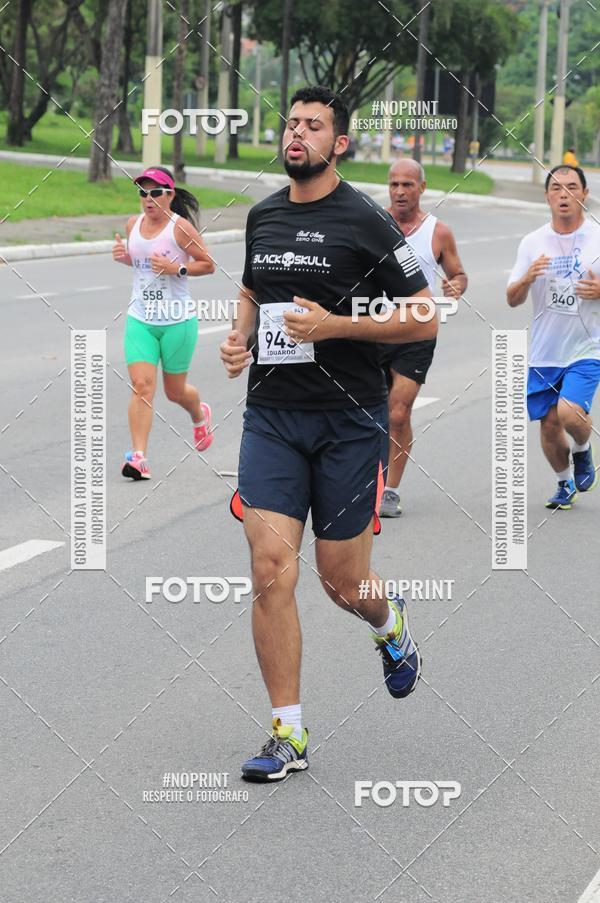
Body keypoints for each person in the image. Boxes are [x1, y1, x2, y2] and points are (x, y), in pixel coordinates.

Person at [219, 85, 437, 782]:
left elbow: (425, 314)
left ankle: (388, 620)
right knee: (268, 568)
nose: (297, 133)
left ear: (338, 143)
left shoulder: (365, 220)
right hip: (273, 416)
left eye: (313, 125)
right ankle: (288, 732)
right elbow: (252, 289)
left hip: (348, 421)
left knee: (341, 581)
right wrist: (239, 336)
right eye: (292, 123)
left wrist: (336, 326)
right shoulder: (264, 215)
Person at [112, 166, 216, 480]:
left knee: (175, 391)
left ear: (169, 195)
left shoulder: (180, 228)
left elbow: (208, 264)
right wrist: (124, 256)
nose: (148, 198)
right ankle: (139, 457)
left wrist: (177, 269)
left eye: (155, 192)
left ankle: (199, 414)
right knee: (142, 386)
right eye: (143, 192)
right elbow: (140, 263)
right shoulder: (133, 224)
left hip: (177, 322)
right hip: (140, 319)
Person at [507, 164, 600, 509]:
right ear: (547, 196)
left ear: (585, 194)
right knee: (548, 426)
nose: (564, 194)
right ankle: (564, 483)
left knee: (569, 414)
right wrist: (527, 278)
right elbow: (512, 298)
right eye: (556, 188)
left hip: (587, 347)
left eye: (572, 187)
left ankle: (582, 449)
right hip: (545, 352)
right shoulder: (532, 242)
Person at [379, 158, 467, 517]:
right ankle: (364, 480)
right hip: (371, 329)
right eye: (394, 184)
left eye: (408, 185)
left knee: (398, 412)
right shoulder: (374, 224)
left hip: (416, 332)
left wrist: (455, 285)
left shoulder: (438, 232)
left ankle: (390, 491)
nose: (400, 192)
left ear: (422, 187)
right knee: (368, 413)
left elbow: (458, 273)